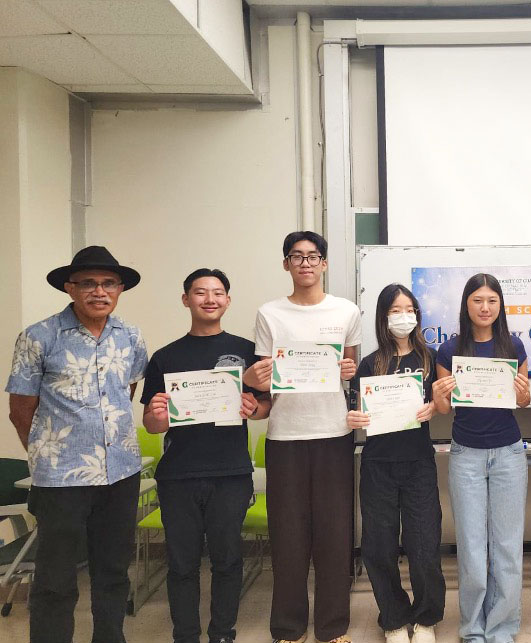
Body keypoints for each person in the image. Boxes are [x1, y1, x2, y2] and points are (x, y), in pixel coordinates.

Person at [6, 246, 148, 643]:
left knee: (113, 571)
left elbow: (126, 390)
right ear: (70, 288)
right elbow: (21, 410)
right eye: (88, 283)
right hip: (60, 478)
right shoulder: (38, 336)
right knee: (55, 578)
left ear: (119, 289)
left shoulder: (131, 336)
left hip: (121, 472)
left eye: (108, 283)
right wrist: (47, 454)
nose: (99, 291)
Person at [141, 268, 271, 643]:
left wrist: (253, 409)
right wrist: (156, 416)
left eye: (217, 293)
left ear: (228, 301)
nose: (209, 299)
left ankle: (222, 633)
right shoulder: (165, 357)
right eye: (200, 292)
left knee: (228, 560)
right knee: (181, 564)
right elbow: (153, 424)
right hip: (178, 475)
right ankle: (185, 634)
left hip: (230, 473)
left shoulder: (247, 351)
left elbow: (265, 407)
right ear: (186, 299)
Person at [244, 231, 361, 643]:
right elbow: (263, 380)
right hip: (285, 436)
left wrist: (349, 372)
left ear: (324, 264)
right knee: (288, 537)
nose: (306, 263)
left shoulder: (346, 311)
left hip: (334, 432)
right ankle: (288, 628)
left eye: (313, 257)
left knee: (335, 534)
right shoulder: (269, 313)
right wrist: (258, 377)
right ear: (286, 264)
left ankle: (332, 628)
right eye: (297, 257)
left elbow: (352, 369)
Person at [432, 273, 531, 643]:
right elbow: (443, 409)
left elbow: (521, 403)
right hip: (466, 455)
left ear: (500, 304)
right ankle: (473, 628)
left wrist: (523, 392)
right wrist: (442, 392)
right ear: (466, 305)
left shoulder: (514, 346)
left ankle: (502, 627)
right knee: (472, 547)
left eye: (492, 300)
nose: (485, 307)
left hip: (508, 453)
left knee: (506, 546)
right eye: (477, 300)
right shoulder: (449, 350)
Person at [346, 284, 445, 643]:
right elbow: (354, 410)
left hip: (418, 461)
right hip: (378, 464)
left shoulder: (430, 359)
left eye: (409, 309)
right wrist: (354, 418)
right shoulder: (370, 363)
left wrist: (434, 406)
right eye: (395, 310)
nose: (403, 316)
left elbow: (444, 404)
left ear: (417, 315)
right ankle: (392, 617)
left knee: (424, 546)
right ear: (383, 317)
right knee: (379, 546)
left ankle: (426, 617)